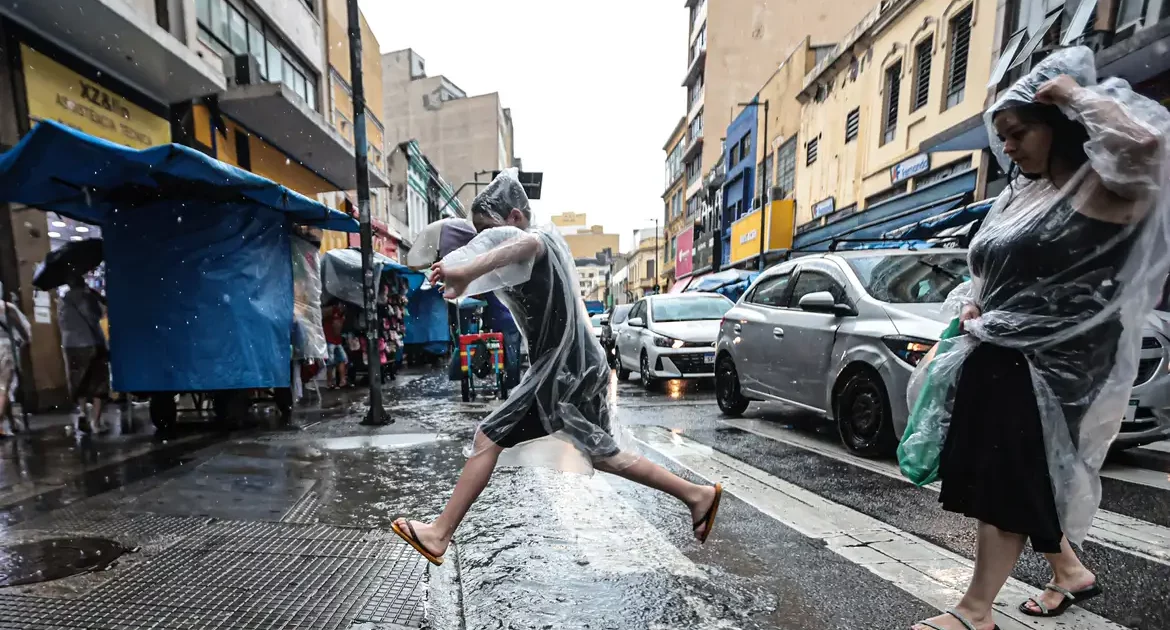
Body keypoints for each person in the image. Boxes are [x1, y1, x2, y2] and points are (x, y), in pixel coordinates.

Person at [908, 48, 1170, 630]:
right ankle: (1068, 571)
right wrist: (976, 301)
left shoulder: (1104, 186)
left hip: (1054, 362)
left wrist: (1074, 93)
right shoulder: (1023, 195)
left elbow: (1149, 147)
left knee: (1009, 477)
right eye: (1001, 136)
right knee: (1016, 475)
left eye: (1019, 132)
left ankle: (975, 612)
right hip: (997, 351)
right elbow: (990, 267)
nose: (1008, 146)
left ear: (1058, 125)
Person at [391, 170, 723, 566]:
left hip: (562, 370)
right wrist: (462, 270)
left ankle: (439, 534)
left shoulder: (538, 240)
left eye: (489, 231)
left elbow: (526, 244)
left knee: (487, 437)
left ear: (515, 217)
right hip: (577, 367)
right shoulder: (519, 257)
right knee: (603, 453)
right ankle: (696, 495)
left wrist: (466, 270)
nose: (485, 240)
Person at [58, 274, 110, 434]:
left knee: (79, 381)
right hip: (91, 342)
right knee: (99, 382)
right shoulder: (86, 298)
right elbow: (96, 316)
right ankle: (96, 423)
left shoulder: (63, 301)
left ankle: (82, 412)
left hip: (70, 345)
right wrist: (96, 296)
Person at [0, 286, 30, 436]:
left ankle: (11, 423)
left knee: (3, 389)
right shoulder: (7, 307)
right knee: (4, 387)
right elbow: (23, 328)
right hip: (5, 348)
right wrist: (25, 339)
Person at [324, 302, 348, 389]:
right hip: (330, 340)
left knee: (342, 359)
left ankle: (342, 380)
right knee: (331, 362)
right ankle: (330, 382)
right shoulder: (333, 310)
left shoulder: (341, 314)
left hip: (336, 341)